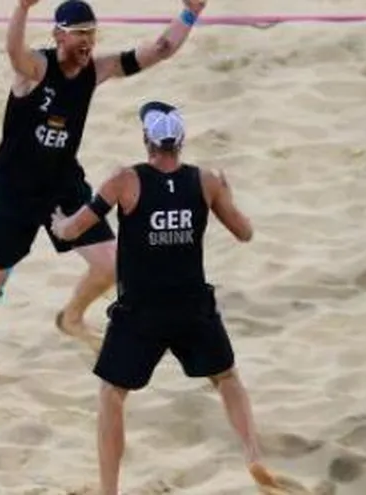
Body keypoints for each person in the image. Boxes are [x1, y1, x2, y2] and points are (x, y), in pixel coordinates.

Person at [0, 0, 209, 386]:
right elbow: (13, 51)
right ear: (59, 34)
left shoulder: (96, 70)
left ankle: (71, 317)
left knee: (111, 265)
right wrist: (23, 8)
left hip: (62, 185)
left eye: (91, 33)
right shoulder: (36, 70)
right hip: (13, 191)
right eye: (79, 33)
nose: (87, 41)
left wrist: (191, 13)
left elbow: (160, 50)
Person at [50, 101, 281, 494]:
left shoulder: (125, 180)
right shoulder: (206, 181)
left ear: (147, 141)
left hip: (141, 311)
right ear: (181, 141)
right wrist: (228, 193)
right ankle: (253, 454)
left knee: (112, 395)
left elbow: (74, 230)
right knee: (227, 378)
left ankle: (109, 490)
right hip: (192, 306)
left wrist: (59, 223)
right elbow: (245, 233)